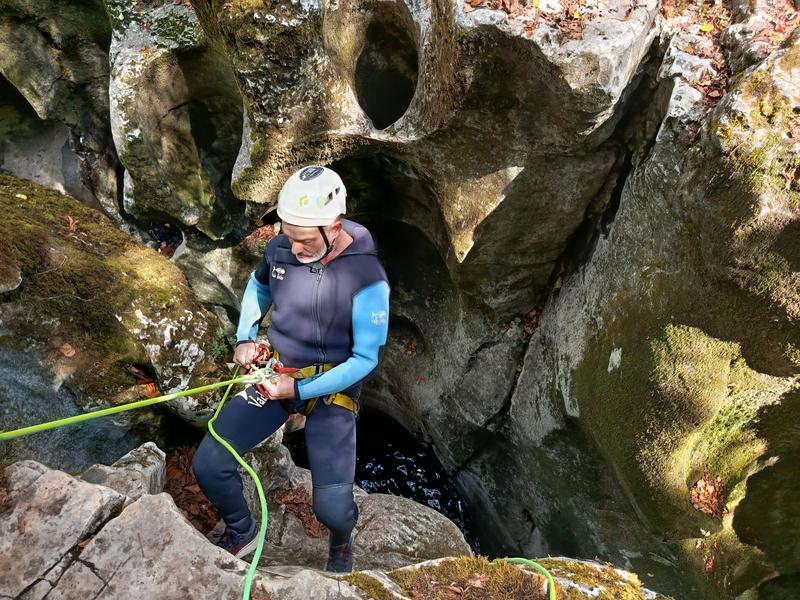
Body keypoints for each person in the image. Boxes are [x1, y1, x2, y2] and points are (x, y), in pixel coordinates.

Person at [192, 165, 390, 573]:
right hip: (278, 372)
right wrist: (246, 335)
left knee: (333, 509)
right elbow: (259, 284)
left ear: (332, 227)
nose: (294, 248)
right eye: (288, 236)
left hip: (331, 388)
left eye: (303, 240)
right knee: (210, 463)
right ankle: (242, 528)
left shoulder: (367, 278)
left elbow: (366, 360)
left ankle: (341, 540)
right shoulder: (281, 247)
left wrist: (298, 392)